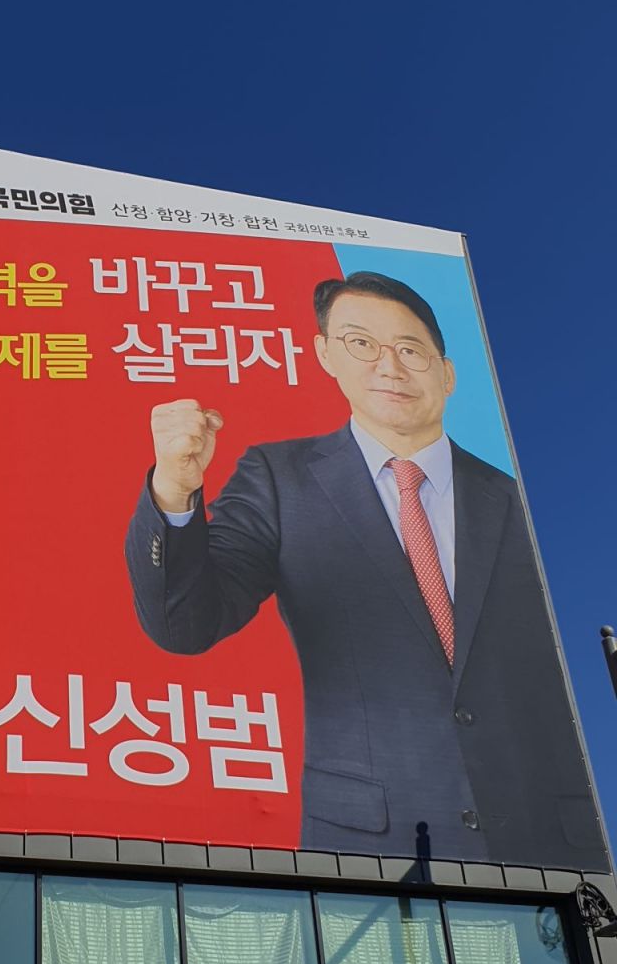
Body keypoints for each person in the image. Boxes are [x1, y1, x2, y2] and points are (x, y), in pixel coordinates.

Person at [126, 271, 606, 869]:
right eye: (361, 344)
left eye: (410, 350)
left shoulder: (522, 502)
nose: (390, 367)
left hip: (552, 847)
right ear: (325, 354)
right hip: (370, 845)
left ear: (447, 374)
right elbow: (185, 625)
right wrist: (174, 490)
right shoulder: (280, 479)